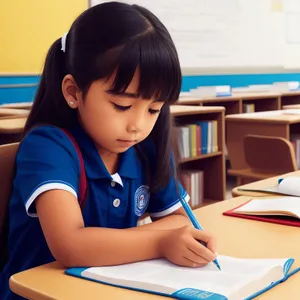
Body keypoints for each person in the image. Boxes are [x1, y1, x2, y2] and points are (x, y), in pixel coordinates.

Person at [0, 2, 216, 299]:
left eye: (153, 109)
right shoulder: (49, 146)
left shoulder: (146, 147)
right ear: (73, 92)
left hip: (107, 288)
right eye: (122, 106)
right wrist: (160, 241)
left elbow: (180, 219)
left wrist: (144, 238)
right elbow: (70, 246)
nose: (137, 126)